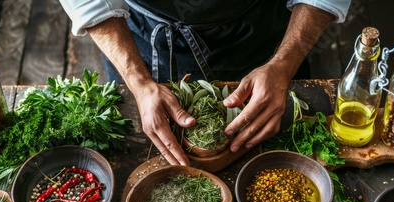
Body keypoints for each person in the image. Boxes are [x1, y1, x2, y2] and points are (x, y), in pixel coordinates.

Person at [59, 0, 351, 166]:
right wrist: (139, 83)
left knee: (269, 131)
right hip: (138, 34)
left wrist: (283, 65)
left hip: (255, 27)